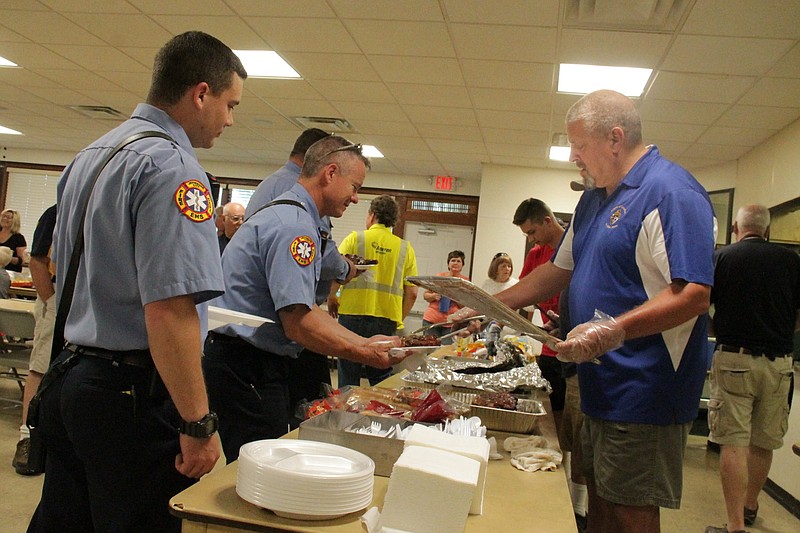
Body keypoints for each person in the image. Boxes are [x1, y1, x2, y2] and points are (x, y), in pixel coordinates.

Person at [27, 31, 246, 533]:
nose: (230, 119)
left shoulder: (90, 156)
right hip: (129, 394)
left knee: (67, 520)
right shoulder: (172, 167)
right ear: (200, 93)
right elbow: (170, 308)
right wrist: (198, 422)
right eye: (230, 104)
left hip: (74, 378)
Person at [486, 89, 715, 533]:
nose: (572, 155)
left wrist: (614, 331)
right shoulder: (594, 200)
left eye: (578, 145)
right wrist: (484, 303)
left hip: (645, 386)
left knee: (631, 509)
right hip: (598, 382)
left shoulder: (671, 193)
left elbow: (692, 295)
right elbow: (557, 271)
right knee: (600, 499)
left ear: (615, 138)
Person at [202, 136, 406, 463]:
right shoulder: (295, 226)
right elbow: (298, 323)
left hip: (251, 359)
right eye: (354, 187)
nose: (356, 198)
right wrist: (361, 353)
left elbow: (306, 308)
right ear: (329, 173)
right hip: (244, 362)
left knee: (268, 454)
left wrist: (364, 342)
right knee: (258, 464)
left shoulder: (297, 217)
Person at [243, 127, 348, 428]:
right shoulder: (299, 207)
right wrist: (345, 270)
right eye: (352, 185)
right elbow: (323, 257)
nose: (354, 197)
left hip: (273, 331)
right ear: (326, 166)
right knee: (303, 421)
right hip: (275, 334)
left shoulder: (271, 186)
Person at [705, 204, 799, 533]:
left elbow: (702, 303)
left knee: (733, 441)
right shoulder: (792, 262)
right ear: (768, 230)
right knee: (763, 441)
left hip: (734, 358)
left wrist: (720, 326)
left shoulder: (723, 258)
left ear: (735, 229)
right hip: (780, 364)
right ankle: (749, 506)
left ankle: (735, 527)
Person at [328, 195, 419, 387]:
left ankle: (346, 413)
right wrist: (398, 318)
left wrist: (332, 298)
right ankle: (384, 412)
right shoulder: (404, 248)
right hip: (386, 319)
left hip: (352, 315)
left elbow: (335, 271)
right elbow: (412, 293)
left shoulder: (356, 238)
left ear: (372, 215)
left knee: (348, 372)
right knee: (381, 372)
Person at [513, 198, 567, 434]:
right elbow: (523, 293)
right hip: (549, 348)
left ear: (547, 221)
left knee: (571, 420)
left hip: (574, 348)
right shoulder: (535, 254)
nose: (531, 238)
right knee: (549, 413)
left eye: (533, 231)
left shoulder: (575, 247)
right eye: (527, 234)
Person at [11, 204, 56, 476]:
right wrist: (50, 301)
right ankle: (27, 438)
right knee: (40, 367)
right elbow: (37, 261)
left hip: (89, 299)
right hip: (56, 294)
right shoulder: (55, 213)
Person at [421, 249, 469, 344]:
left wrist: (455, 297)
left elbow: (466, 306)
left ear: (462, 265)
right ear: (448, 264)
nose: (455, 263)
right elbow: (425, 295)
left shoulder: (465, 282)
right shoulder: (439, 277)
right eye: (453, 260)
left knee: (446, 351)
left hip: (451, 323)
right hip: (431, 321)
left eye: (458, 261)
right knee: (430, 350)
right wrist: (434, 296)